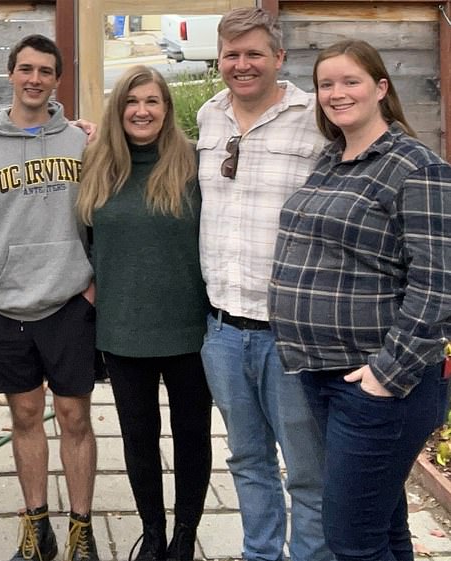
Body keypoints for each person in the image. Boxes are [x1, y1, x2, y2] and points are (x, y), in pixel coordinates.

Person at [269, 39, 451, 561]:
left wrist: (385, 376)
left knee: (350, 539)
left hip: (377, 386)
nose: (336, 93)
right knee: (383, 526)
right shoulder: (332, 159)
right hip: (323, 374)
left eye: (350, 81)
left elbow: (438, 283)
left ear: (381, 88)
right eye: (326, 84)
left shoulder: (415, 167)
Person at [196, 8, 333, 561]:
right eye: (232, 54)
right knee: (247, 462)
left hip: (292, 334)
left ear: (279, 58)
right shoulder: (209, 117)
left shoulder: (316, 117)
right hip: (224, 330)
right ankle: (259, 554)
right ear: (219, 60)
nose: (242, 64)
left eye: (255, 54)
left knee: (308, 471)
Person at [0, 34, 99, 561]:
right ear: (11, 74)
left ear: (57, 79)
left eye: (45, 70)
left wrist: (93, 286)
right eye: (26, 69)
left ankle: (81, 531)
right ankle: (36, 526)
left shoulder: (81, 143)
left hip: (68, 303)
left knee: (75, 418)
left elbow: (101, 218)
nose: (35, 79)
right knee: (23, 418)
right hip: (4, 308)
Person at [77, 65, 212, 561]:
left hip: (189, 327)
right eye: (132, 102)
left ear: (167, 109)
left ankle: (184, 535)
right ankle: (152, 534)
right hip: (123, 327)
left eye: (152, 101)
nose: (142, 111)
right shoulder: (97, 165)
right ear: (118, 109)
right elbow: (84, 239)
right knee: (138, 437)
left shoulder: (193, 163)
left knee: (192, 436)